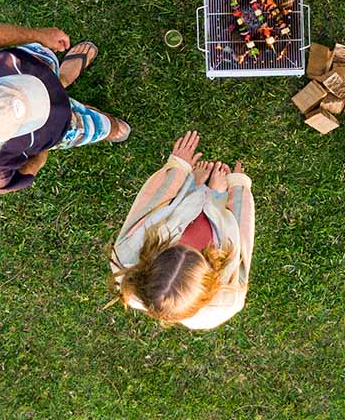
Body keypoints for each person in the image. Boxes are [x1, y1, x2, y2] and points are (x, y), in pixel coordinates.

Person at [0, 16, 130, 193]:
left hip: (35, 64)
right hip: (60, 128)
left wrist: (40, 36)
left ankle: (63, 78)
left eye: (7, 86)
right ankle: (107, 127)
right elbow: (22, 175)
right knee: (102, 126)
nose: (30, 99)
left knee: (51, 72)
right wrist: (44, 149)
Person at [107, 131, 254, 330]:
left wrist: (178, 168)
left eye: (175, 245)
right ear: (209, 285)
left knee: (174, 209)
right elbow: (242, 238)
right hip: (215, 229)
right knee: (217, 224)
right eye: (194, 251)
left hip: (177, 214)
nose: (185, 243)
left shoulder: (125, 257)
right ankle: (214, 197)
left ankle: (194, 188)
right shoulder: (228, 299)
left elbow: (151, 203)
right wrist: (238, 188)